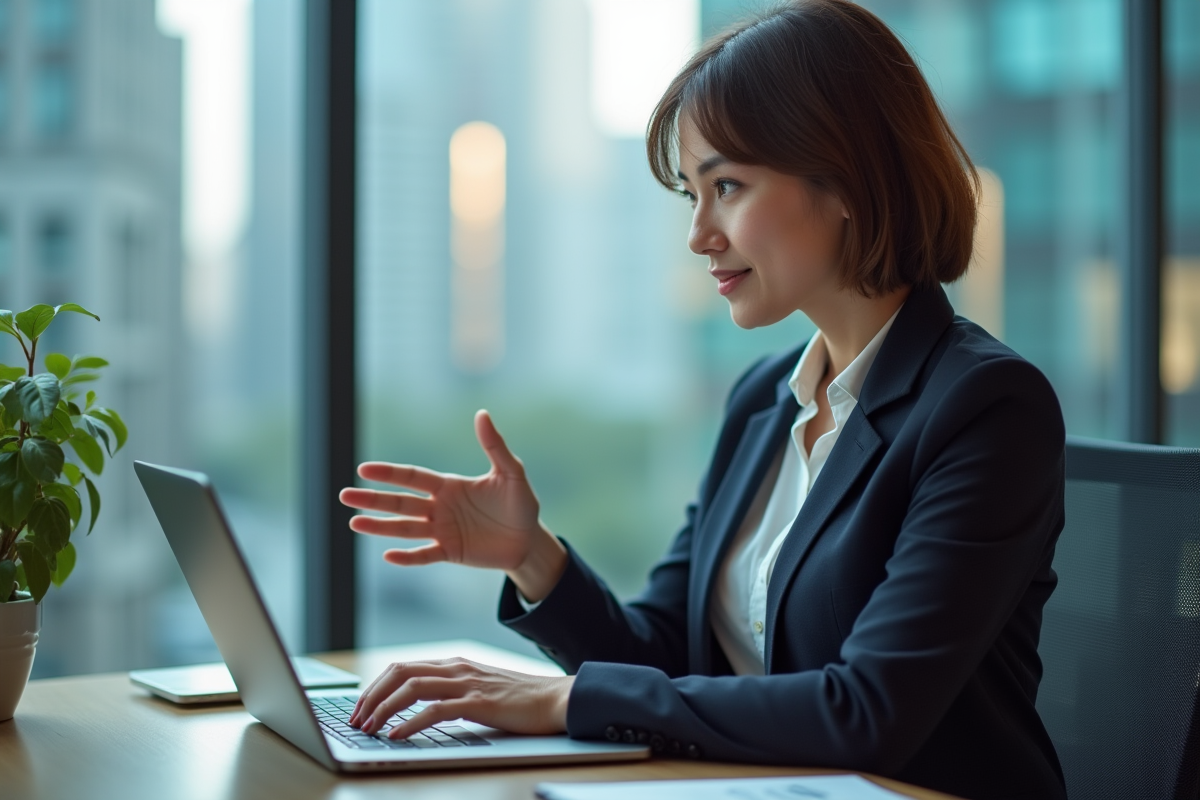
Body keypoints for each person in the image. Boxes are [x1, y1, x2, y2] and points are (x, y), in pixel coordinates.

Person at [339, 2, 1067, 798]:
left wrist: (560, 700)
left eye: (727, 185)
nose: (699, 233)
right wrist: (532, 555)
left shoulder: (987, 407)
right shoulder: (764, 400)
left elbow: (869, 711)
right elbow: (666, 660)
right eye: (693, 192)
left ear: (849, 177)